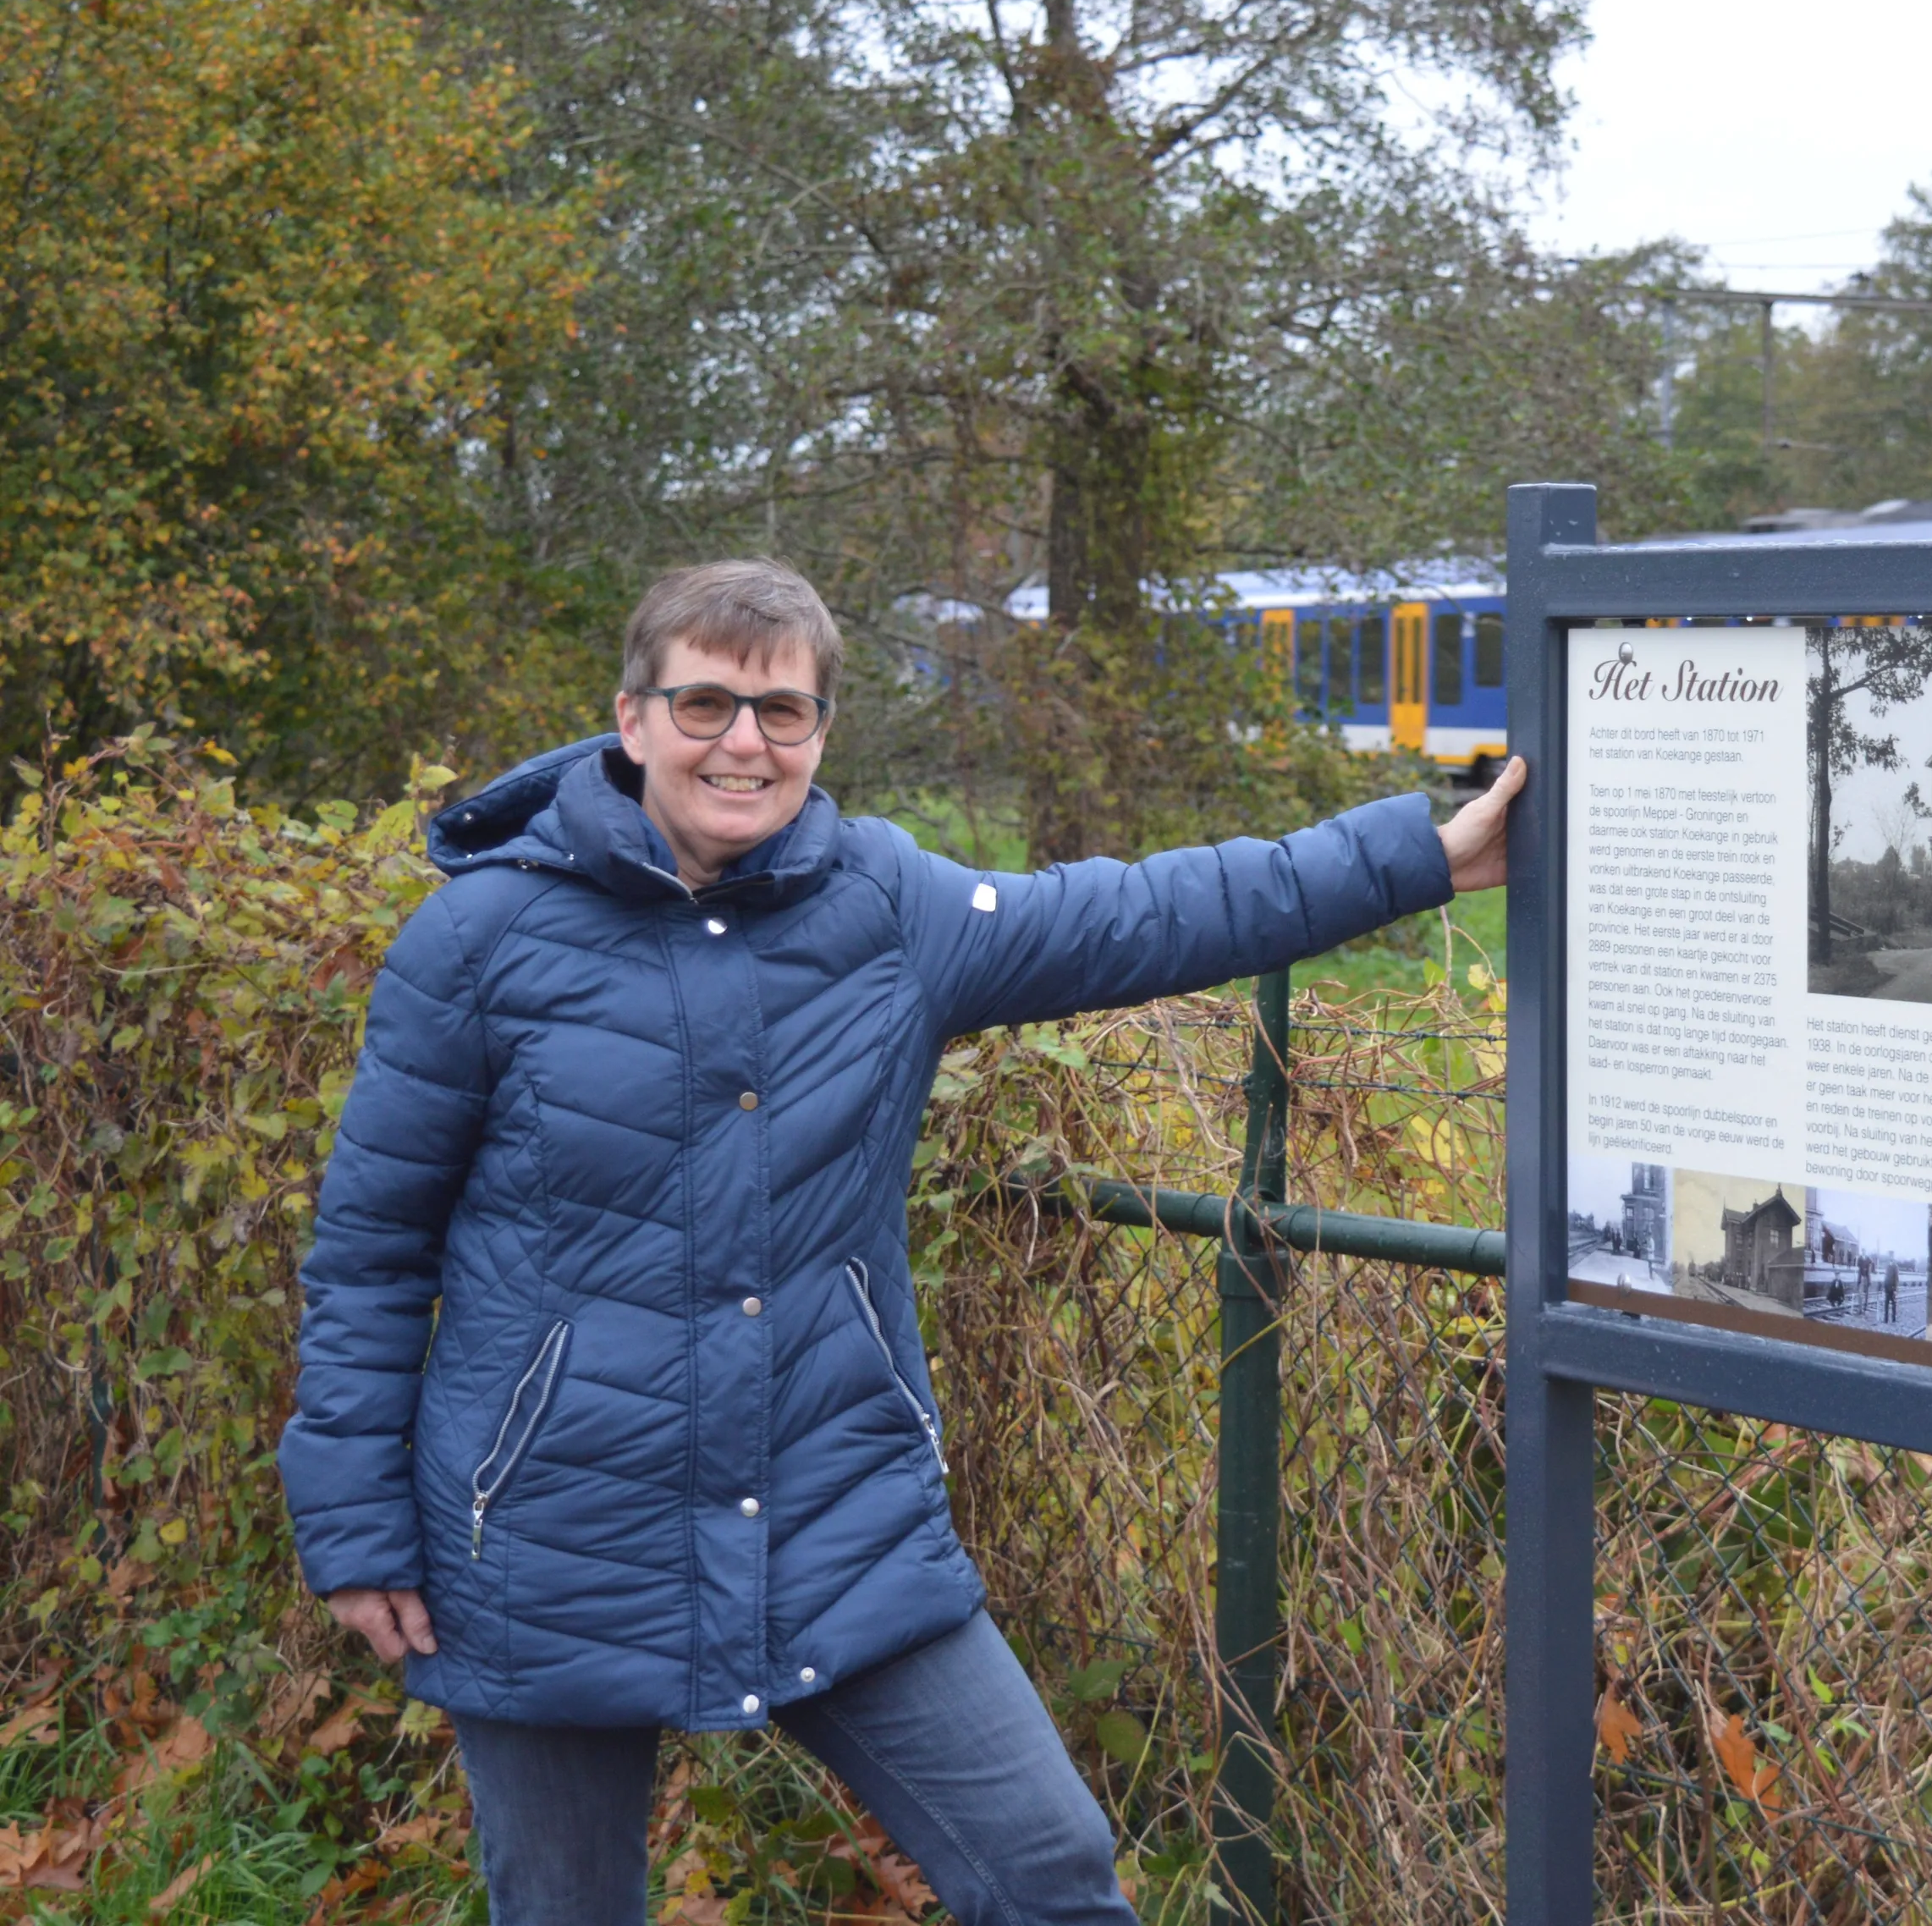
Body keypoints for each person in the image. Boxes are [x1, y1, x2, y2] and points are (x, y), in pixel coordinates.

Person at [278, 561, 1522, 1925]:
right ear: (630, 721)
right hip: (548, 1527)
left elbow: (1153, 910)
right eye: (704, 704)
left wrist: (1432, 855)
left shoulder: (890, 911)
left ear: (820, 736)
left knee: (1048, 1869)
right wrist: (355, 1524)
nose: (742, 743)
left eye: (782, 713)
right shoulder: (478, 941)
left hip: (835, 1509)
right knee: (566, 1906)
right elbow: (372, 1253)